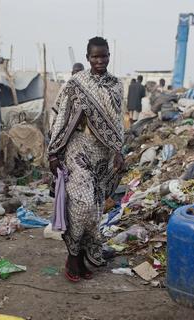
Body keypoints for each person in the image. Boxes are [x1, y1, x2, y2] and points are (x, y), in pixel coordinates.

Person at [48, 36, 124, 282]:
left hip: (102, 154)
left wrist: (119, 151)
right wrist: (54, 152)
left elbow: (117, 122)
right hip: (77, 150)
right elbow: (62, 117)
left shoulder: (116, 85)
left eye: (104, 56)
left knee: (95, 209)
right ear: (87, 57)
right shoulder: (76, 84)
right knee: (81, 206)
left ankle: (82, 258)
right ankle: (72, 257)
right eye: (95, 56)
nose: (100, 60)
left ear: (110, 55)